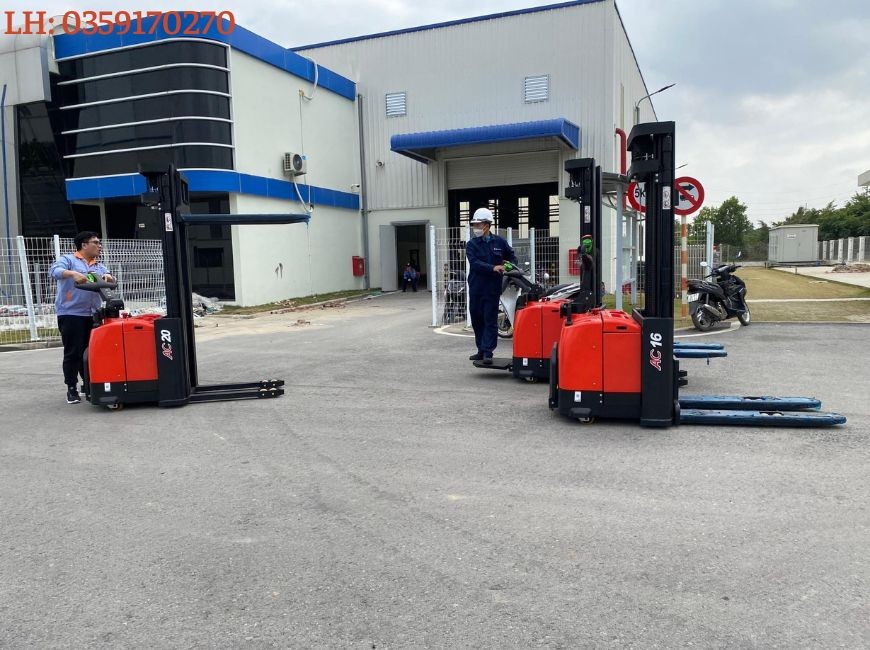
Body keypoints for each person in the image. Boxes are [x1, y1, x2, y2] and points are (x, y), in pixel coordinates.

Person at [50, 232, 114, 404]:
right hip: (71, 314)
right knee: (73, 352)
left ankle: (89, 384)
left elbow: (108, 278)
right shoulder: (69, 260)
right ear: (84, 245)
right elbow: (54, 271)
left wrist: (109, 277)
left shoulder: (98, 266)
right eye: (96, 242)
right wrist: (72, 274)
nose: (99, 246)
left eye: (99, 243)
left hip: (93, 314)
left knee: (91, 352)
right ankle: (71, 387)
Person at [465, 207, 517, 364]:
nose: (475, 227)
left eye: (478, 224)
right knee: (477, 319)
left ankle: (488, 352)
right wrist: (493, 267)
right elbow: (474, 263)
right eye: (474, 225)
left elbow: (512, 257)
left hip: (492, 288)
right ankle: (480, 350)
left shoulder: (499, 242)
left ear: (487, 225)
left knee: (489, 320)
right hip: (476, 288)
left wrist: (508, 266)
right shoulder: (471, 244)